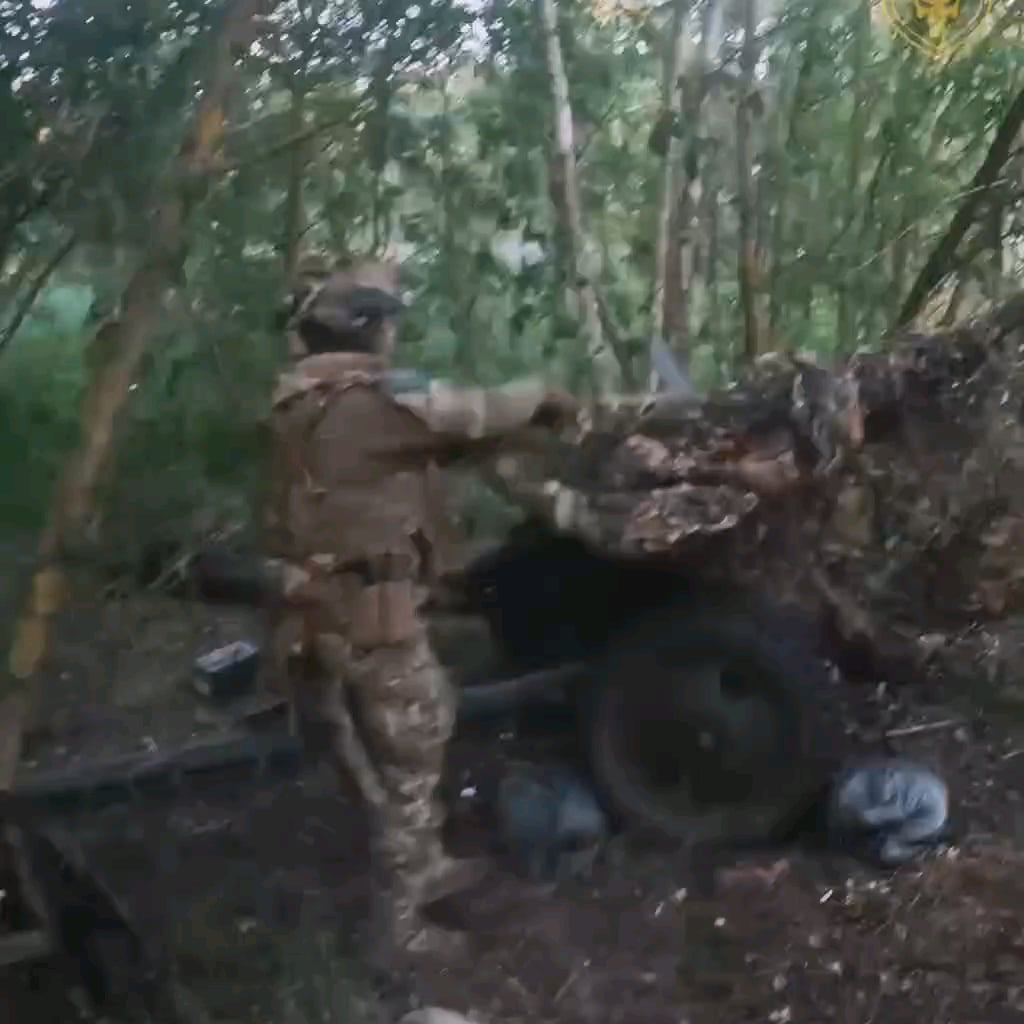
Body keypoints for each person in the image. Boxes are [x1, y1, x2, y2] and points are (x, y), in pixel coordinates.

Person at [265, 254, 579, 966]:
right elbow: (469, 412)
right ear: (369, 330)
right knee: (415, 749)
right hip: (367, 616)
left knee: (366, 759)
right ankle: (396, 934)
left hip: (309, 612)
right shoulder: (367, 401)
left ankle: (425, 863)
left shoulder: (298, 402)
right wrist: (543, 395)